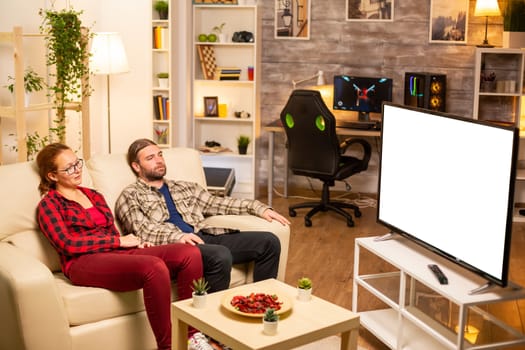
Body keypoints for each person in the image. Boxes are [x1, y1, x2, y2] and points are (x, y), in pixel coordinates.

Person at [35, 143, 204, 350]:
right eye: (69, 168)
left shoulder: (94, 195)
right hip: (81, 262)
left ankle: (191, 338)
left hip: (115, 253)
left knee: (189, 253)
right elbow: (67, 244)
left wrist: (136, 245)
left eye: (77, 163)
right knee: (154, 266)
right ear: (52, 176)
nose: (77, 169)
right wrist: (118, 242)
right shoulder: (50, 204)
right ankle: (168, 346)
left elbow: (112, 232)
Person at [115, 138, 290, 293]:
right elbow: (142, 231)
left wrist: (259, 208)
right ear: (136, 166)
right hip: (174, 247)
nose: (159, 160)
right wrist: (179, 236)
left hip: (204, 236)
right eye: (150, 158)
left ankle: (262, 305)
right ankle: (209, 327)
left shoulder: (184, 187)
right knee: (219, 255)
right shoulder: (130, 195)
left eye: (160, 155)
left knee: (269, 242)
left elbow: (219, 203)